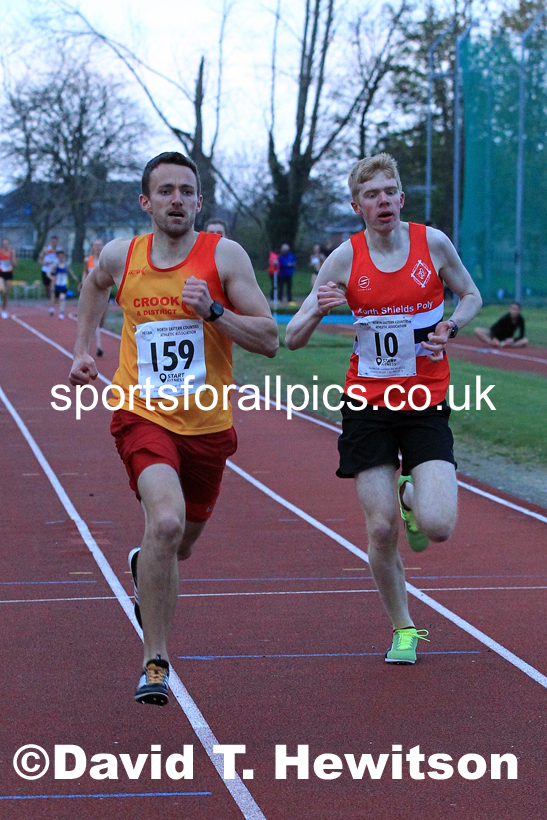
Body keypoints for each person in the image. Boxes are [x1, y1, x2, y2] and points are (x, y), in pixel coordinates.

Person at [69, 151, 278, 705]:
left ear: (200, 201)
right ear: (147, 202)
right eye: (165, 191)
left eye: (186, 190)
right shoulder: (123, 255)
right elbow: (93, 287)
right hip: (142, 414)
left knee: (179, 546)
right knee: (163, 522)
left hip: (208, 426)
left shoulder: (224, 256)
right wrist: (84, 348)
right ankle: (155, 661)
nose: (177, 200)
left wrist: (213, 312)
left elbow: (269, 338)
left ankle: (146, 566)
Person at [286, 153, 482, 664]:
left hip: (424, 401)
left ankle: (412, 493)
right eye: (370, 195)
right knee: (380, 528)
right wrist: (318, 309)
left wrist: (451, 327)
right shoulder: (343, 260)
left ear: (401, 198)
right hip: (367, 403)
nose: (382, 201)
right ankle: (404, 627)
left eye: (389, 191)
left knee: (439, 526)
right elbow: (292, 337)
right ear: (357, 206)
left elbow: (471, 295)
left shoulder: (432, 243)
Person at [81, 239, 107, 355]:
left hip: (104, 292)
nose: (98, 247)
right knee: (95, 321)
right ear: (92, 247)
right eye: (95, 245)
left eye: (100, 245)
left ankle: (93, 334)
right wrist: (83, 285)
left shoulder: (105, 260)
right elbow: (85, 273)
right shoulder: (88, 260)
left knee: (101, 322)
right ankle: (99, 347)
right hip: (92, 292)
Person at [49, 250, 78, 319]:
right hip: (57, 285)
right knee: (55, 299)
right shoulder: (55, 266)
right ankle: (51, 308)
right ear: (58, 258)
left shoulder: (66, 266)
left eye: (63, 257)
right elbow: (49, 272)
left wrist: (74, 277)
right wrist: (51, 277)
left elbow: (71, 272)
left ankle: (61, 312)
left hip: (63, 285)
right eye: (60, 257)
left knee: (62, 298)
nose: (61, 258)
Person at [38, 236, 61, 300]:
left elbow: (61, 259)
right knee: (47, 286)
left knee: (52, 285)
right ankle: (48, 295)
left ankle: (53, 297)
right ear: (51, 242)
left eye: (55, 242)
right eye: (53, 242)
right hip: (46, 270)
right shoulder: (46, 250)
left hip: (54, 270)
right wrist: (44, 263)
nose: (54, 243)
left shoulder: (58, 251)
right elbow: (39, 260)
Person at [0, 238, 16, 318]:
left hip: (9, 274)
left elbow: (15, 265)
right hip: (1, 273)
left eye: (7, 243)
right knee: (2, 289)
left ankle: (4, 309)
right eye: (4, 244)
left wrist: (11, 260)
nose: (5, 245)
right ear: (2, 245)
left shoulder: (12, 252)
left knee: (6, 293)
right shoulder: (0, 252)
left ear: (9, 244)